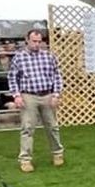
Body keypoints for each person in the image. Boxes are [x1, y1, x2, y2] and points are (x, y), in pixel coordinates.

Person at [7, 29, 65, 173]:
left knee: (52, 126)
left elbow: (57, 76)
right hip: (28, 95)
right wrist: (17, 95)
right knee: (27, 128)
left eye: (39, 41)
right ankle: (25, 160)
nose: (37, 44)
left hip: (47, 95)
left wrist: (56, 94)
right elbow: (13, 77)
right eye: (34, 41)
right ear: (27, 40)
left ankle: (57, 153)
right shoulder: (19, 57)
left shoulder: (49, 56)